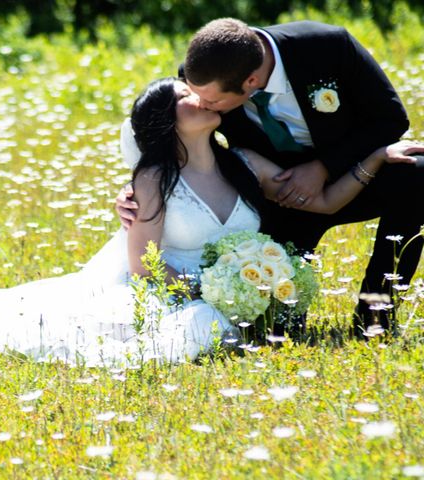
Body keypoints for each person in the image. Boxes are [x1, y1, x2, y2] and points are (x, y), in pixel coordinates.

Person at [0, 78, 421, 365]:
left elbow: (319, 203)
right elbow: (142, 269)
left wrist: (374, 159)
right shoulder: (153, 181)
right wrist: (210, 292)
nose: (199, 98)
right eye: (184, 97)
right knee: (185, 327)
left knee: (218, 323)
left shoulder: (244, 162)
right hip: (165, 292)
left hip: (226, 292)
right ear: (166, 121)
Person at [116, 18, 424, 337]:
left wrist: (324, 167)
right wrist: (139, 190)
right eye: (198, 99)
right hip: (278, 195)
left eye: (213, 102)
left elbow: (390, 118)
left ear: (251, 82)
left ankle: (376, 313)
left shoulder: (326, 45)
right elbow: (164, 132)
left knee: (417, 173)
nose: (203, 104)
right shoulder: (204, 79)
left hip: (348, 176)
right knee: (278, 328)